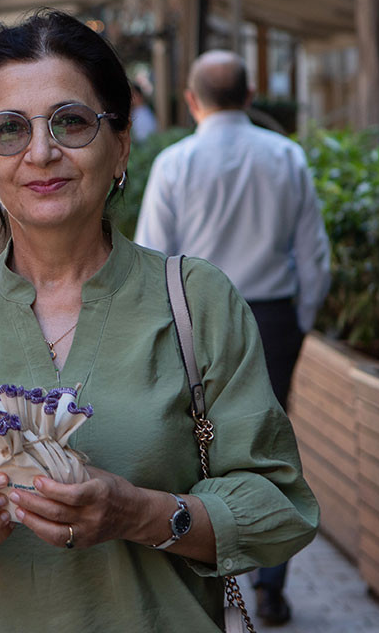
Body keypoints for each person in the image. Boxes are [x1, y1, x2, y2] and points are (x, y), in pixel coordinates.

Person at [0, 11, 318, 631]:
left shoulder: (195, 302)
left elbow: (280, 509)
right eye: (7, 130)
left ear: (121, 144)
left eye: (72, 122)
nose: (41, 151)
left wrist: (138, 513)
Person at [134, 49, 331, 625]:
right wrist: (304, 318)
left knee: (193, 435)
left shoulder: (174, 162)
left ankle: (210, 565)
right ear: (250, 97)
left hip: (190, 317)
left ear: (192, 101)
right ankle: (271, 582)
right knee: (271, 440)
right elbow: (313, 253)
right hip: (271, 315)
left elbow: (152, 252)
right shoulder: (288, 156)